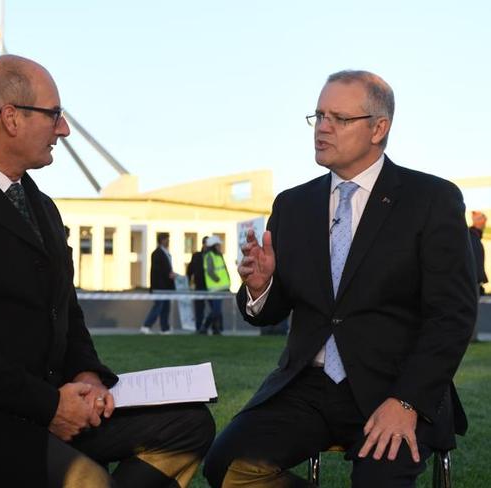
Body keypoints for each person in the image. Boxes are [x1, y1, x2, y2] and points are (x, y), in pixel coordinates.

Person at [0, 54, 214, 488]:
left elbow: (66, 314)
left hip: (46, 407)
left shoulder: (42, 207)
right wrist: (48, 406)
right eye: (55, 114)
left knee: (190, 427)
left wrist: (87, 375)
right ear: (10, 118)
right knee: (86, 479)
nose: (64, 129)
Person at [204, 70, 477, 487]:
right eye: (318, 116)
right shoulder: (293, 204)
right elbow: (272, 310)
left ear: (378, 128)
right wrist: (260, 287)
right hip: (305, 387)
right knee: (225, 465)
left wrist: (407, 401)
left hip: (394, 388)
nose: (323, 128)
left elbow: (452, 316)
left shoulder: (430, 200)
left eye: (339, 118)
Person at [141, 233, 176, 334]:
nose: (168, 241)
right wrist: (168, 275)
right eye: (167, 239)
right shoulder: (157, 253)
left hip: (167, 287)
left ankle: (165, 328)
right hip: (159, 286)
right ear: (162, 240)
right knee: (158, 306)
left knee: (166, 307)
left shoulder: (166, 253)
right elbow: (157, 270)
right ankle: (146, 326)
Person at [200, 235, 230, 335]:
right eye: (218, 244)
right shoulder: (210, 256)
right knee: (216, 311)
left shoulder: (218, 255)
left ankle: (215, 329)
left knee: (217, 311)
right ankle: (204, 327)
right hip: (215, 288)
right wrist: (217, 279)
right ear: (213, 245)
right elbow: (210, 271)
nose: (220, 246)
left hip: (221, 288)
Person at [186, 236, 209, 332]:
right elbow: (190, 270)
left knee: (215, 309)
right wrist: (187, 282)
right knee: (199, 309)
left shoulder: (213, 256)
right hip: (199, 286)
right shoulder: (196, 256)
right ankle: (199, 328)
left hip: (211, 287)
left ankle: (215, 328)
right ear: (203, 244)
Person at [469, 211, 488, 296]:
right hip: (472, 283)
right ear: (479, 221)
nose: (485, 224)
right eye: (484, 220)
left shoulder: (474, 236)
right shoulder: (473, 237)